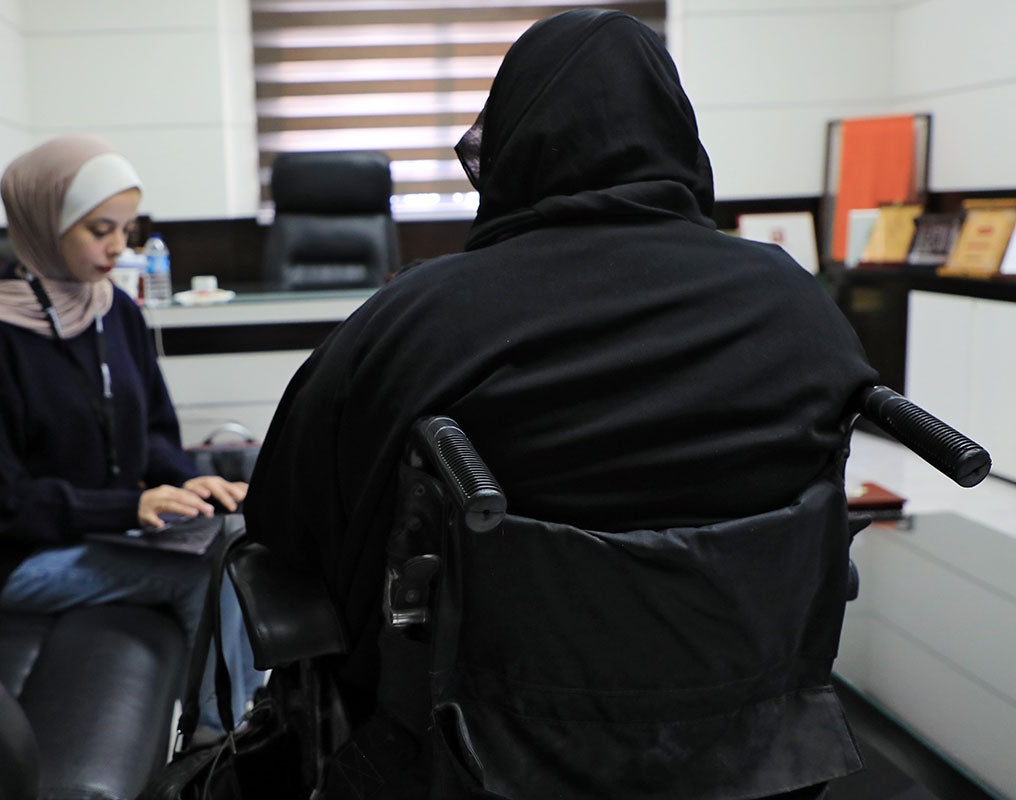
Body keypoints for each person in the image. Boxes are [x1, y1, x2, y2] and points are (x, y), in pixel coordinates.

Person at [243, 8, 878, 799]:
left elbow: (283, 523)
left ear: (510, 139)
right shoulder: (793, 303)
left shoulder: (421, 317)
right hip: (754, 757)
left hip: (460, 761)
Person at [0, 135, 263, 730]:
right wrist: (128, 504)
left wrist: (194, 482)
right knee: (204, 576)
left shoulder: (114, 310)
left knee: (240, 538)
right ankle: (221, 741)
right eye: (100, 230)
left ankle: (243, 718)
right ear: (43, 223)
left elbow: (155, 435)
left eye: (127, 231)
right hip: (12, 556)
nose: (118, 248)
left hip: (99, 528)